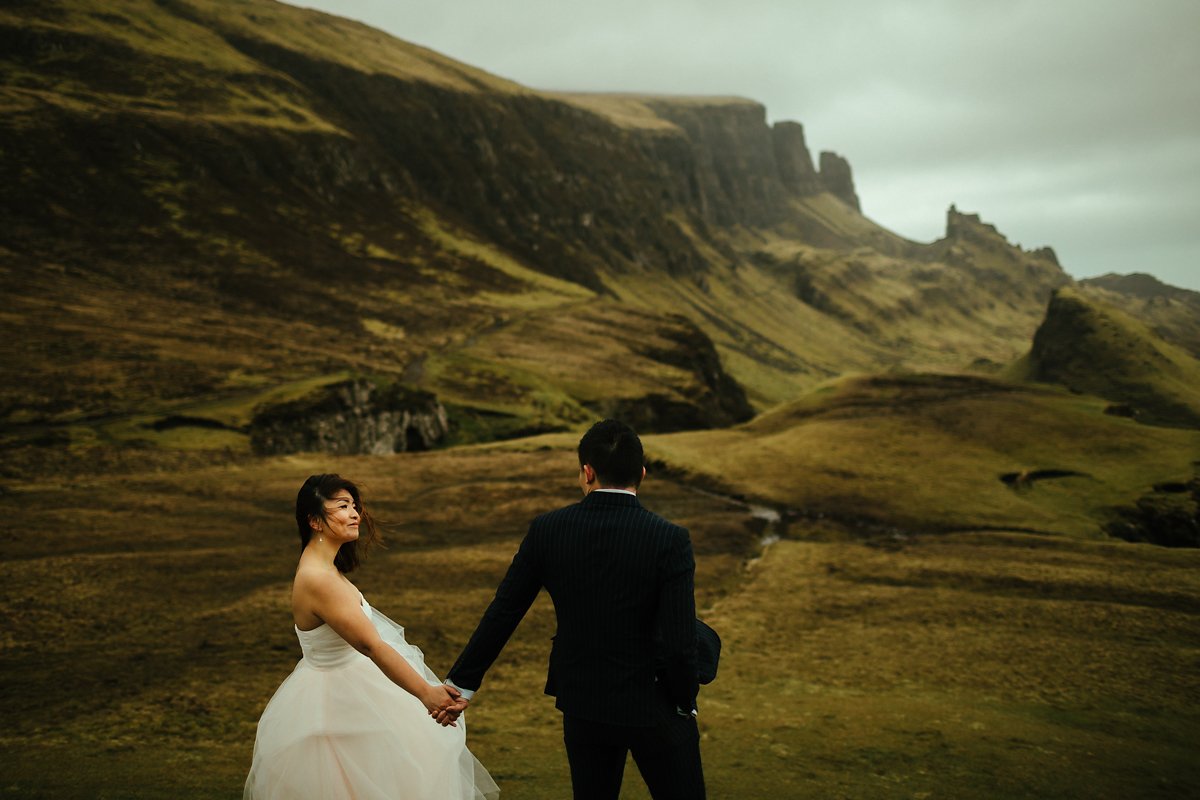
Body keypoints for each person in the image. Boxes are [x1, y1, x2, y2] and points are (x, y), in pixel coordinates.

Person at [441, 419, 705, 800]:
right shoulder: (670, 538)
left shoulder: (548, 529)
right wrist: (685, 701)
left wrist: (462, 683)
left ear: (587, 471)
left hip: (584, 704)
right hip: (656, 705)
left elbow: (505, 611)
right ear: (642, 474)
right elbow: (680, 642)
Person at [244, 474, 499, 800]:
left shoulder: (326, 569)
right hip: (338, 703)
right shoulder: (318, 578)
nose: (355, 514)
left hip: (353, 689)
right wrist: (426, 694)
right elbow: (371, 645)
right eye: (342, 506)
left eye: (354, 505)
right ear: (314, 520)